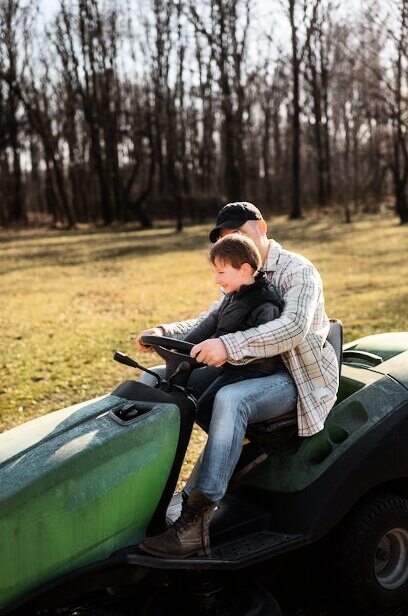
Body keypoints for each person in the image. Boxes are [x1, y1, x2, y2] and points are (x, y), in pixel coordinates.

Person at [138, 201, 339, 559]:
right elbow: (215, 317)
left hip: (296, 378)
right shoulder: (238, 271)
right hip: (246, 367)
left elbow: (292, 327)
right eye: (228, 237)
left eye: (240, 233)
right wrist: (164, 332)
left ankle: (196, 521)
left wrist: (228, 346)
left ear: (261, 227)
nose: (234, 242)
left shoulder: (298, 270)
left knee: (232, 399)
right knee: (155, 381)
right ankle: (142, 492)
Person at [183, 233, 283, 429]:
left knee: (204, 409)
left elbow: (267, 348)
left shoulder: (265, 303)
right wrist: (184, 347)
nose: (216, 280)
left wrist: (230, 355)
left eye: (220, 272)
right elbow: (210, 322)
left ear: (244, 269)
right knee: (187, 395)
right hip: (231, 368)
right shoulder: (234, 295)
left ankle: (247, 444)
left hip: (253, 372)